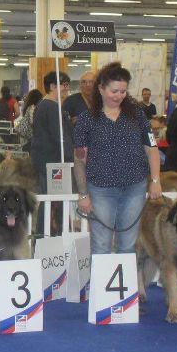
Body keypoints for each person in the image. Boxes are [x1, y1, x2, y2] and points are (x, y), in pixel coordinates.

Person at [73, 62, 163, 255]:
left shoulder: (137, 115)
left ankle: (127, 286)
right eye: (114, 91)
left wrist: (155, 180)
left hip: (135, 187)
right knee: (101, 244)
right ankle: (100, 285)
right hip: (100, 189)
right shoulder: (86, 119)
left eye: (123, 91)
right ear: (101, 89)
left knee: (129, 244)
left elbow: (152, 147)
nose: (119, 96)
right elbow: (79, 159)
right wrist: (83, 194)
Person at [30, 71, 72, 234]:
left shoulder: (44, 105)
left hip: (46, 161)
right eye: (64, 85)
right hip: (54, 162)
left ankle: (46, 237)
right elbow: (60, 137)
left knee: (51, 201)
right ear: (53, 86)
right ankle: (48, 238)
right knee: (53, 202)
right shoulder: (52, 107)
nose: (67, 89)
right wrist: (71, 156)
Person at [16, 88, 44, 152]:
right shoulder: (32, 107)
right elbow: (32, 122)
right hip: (28, 138)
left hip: (25, 136)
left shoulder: (29, 107)